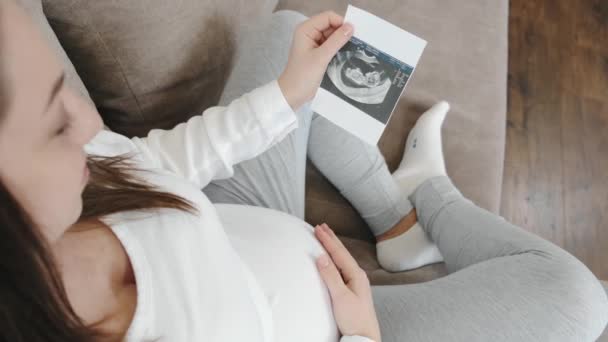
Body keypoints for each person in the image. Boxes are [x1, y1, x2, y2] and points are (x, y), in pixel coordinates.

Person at [1, 1, 607, 341]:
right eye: (56, 123)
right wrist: (362, 336)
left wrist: (286, 94)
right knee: (579, 301)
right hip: (331, 321)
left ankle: (397, 223)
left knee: (291, 31)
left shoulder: (85, 172)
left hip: (249, 219)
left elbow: (149, 163)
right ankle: (428, 192)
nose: (90, 127)